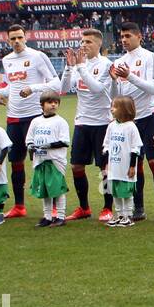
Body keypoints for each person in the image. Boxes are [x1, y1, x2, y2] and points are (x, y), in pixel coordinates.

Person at [0, 25, 60, 219]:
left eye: (20, 37)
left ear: (26, 37)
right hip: (13, 116)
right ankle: (19, 206)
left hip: (34, 117)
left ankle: (53, 206)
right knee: (15, 162)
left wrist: (33, 88)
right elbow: (13, 86)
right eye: (13, 38)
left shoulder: (37, 56)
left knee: (42, 160)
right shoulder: (7, 60)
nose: (16, 41)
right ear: (7, 41)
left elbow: (55, 83)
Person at [110, 21, 154, 223]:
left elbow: (152, 88)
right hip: (130, 122)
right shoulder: (118, 62)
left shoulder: (150, 57)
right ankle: (139, 208)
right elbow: (117, 96)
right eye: (122, 36)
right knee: (136, 163)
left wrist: (129, 76)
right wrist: (113, 81)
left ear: (139, 36)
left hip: (149, 116)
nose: (124, 40)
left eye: (128, 36)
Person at [62, 29, 115, 221]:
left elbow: (97, 89)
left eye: (89, 42)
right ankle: (84, 207)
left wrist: (81, 67)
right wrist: (69, 68)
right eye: (82, 41)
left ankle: (107, 208)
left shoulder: (107, 65)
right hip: (82, 122)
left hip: (102, 123)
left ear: (99, 44)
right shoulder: (78, 65)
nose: (84, 45)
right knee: (76, 166)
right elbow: (63, 89)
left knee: (105, 169)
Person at [28, 91, 71, 227]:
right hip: (40, 161)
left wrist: (48, 145)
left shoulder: (60, 122)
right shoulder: (36, 121)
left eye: (56, 102)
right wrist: (31, 147)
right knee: (44, 190)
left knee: (57, 189)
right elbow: (29, 139)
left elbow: (64, 141)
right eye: (50, 102)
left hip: (55, 160)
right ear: (42, 105)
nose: (53, 105)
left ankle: (60, 216)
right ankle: (47, 216)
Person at [103, 96, 143, 228]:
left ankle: (128, 216)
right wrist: (107, 164)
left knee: (126, 192)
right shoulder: (111, 126)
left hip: (126, 167)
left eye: (114, 107)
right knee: (115, 191)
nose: (111, 109)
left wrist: (132, 166)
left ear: (124, 110)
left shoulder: (131, 127)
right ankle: (119, 214)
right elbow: (107, 146)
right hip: (114, 166)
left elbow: (135, 148)